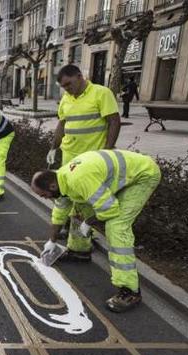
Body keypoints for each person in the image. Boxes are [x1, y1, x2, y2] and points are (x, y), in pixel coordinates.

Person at [31, 149, 161, 312]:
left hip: (142, 176)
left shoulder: (79, 179)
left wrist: (89, 222)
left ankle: (130, 291)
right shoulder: (61, 181)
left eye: (44, 195)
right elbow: (59, 213)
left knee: (116, 227)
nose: (45, 198)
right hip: (122, 176)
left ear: (52, 185)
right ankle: (79, 251)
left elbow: (109, 209)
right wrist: (52, 241)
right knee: (79, 208)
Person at [46, 64, 121, 257]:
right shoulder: (66, 99)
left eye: (69, 84)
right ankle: (73, 232)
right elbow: (62, 125)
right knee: (65, 198)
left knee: (83, 202)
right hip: (69, 158)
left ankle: (80, 247)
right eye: (63, 87)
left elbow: (114, 121)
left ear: (80, 76)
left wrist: (107, 151)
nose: (67, 89)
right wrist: (54, 148)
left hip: (91, 161)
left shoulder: (101, 93)